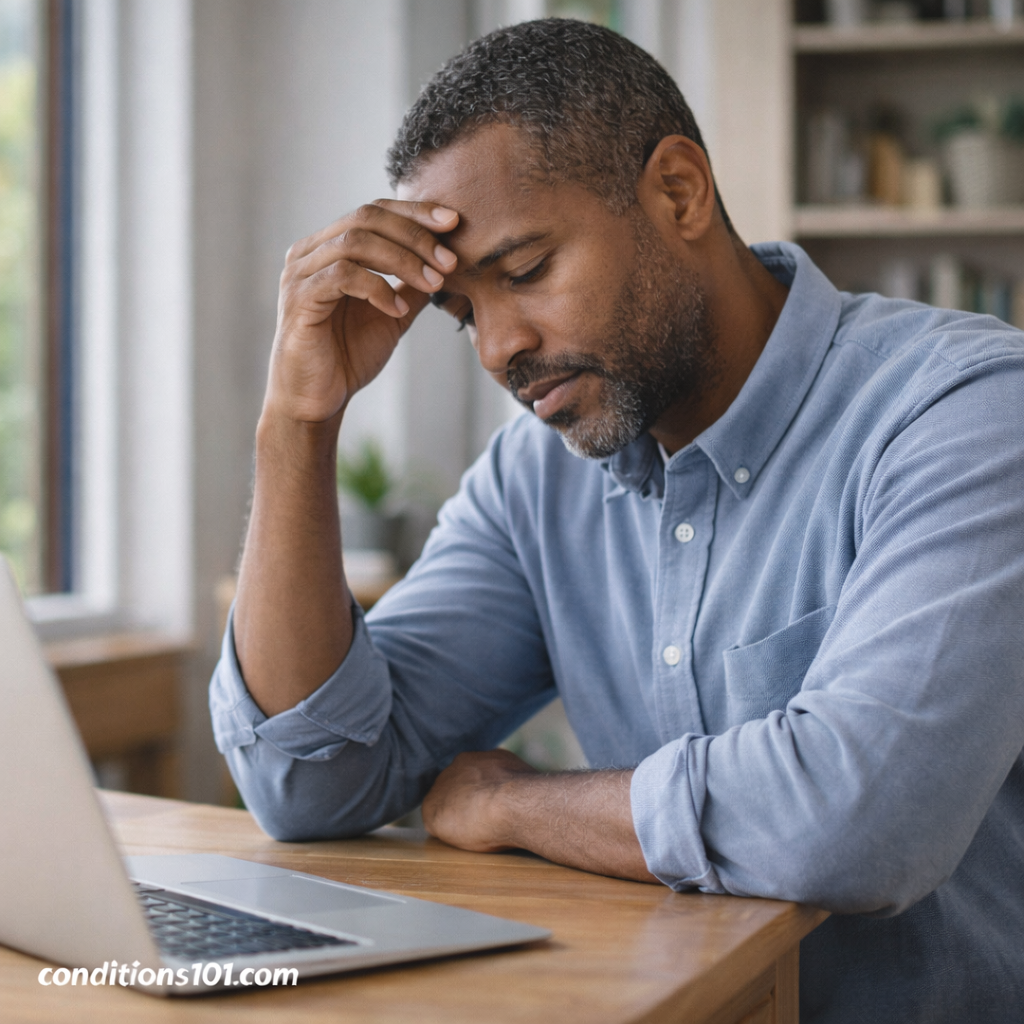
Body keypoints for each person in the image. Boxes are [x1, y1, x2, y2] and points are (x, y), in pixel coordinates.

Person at [210, 18, 1024, 1024]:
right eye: (464, 313)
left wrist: (515, 803)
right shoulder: (534, 478)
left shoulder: (964, 408)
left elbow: (855, 820)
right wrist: (298, 421)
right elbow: (310, 784)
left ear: (677, 192)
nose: (499, 348)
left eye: (525, 270)